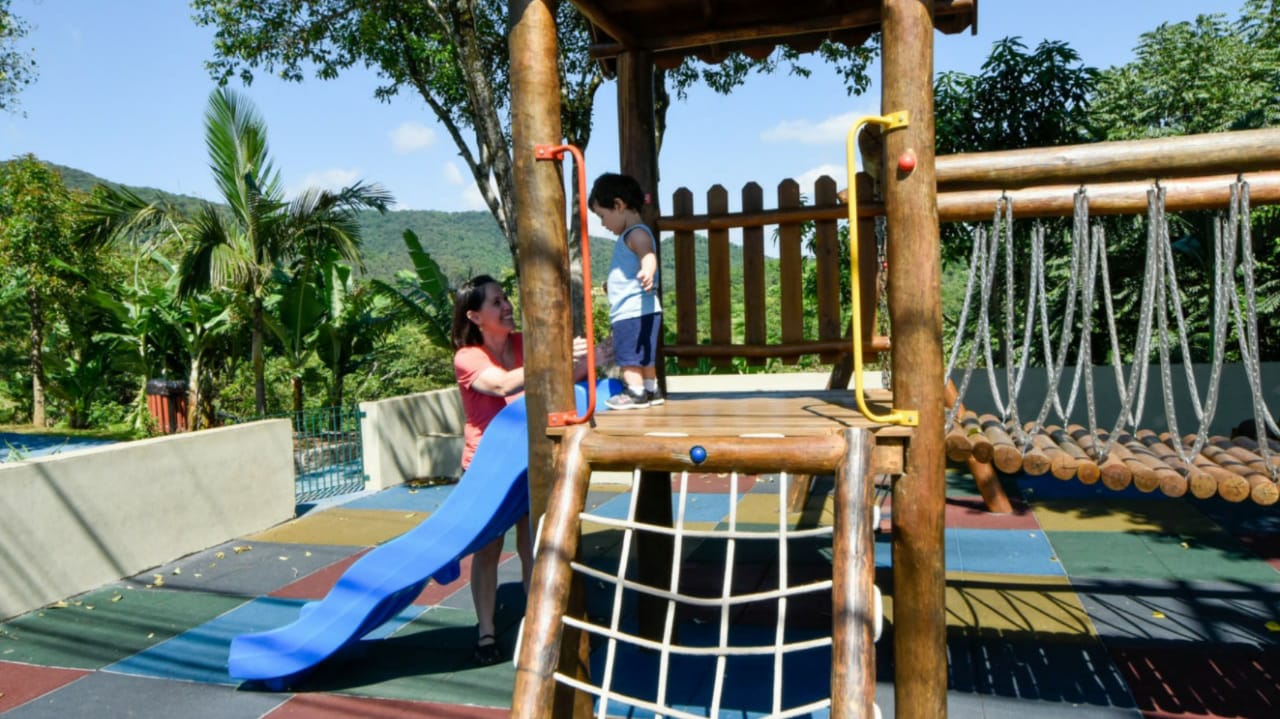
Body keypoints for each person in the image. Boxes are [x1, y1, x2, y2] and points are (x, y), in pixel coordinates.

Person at [451, 274, 588, 665]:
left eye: (505, 297)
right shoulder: (468, 357)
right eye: (496, 302)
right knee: (489, 550)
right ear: (475, 316)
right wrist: (555, 355)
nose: (506, 305)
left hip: (528, 462)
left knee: (533, 544)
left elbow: (557, 379)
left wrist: (589, 357)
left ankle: (538, 627)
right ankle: (486, 632)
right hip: (486, 468)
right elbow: (503, 387)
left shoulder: (524, 343)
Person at [589, 172, 664, 410]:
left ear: (619, 205)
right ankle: (652, 390)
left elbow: (649, 255)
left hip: (630, 311)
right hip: (644, 309)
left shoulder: (636, 234)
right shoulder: (634, 234)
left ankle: (635, 392)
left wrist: (648, 271)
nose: (603, 223)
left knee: (629, 356)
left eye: (602, 216)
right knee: (645, 354)